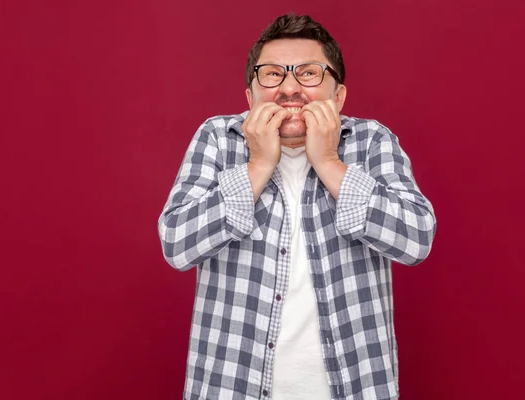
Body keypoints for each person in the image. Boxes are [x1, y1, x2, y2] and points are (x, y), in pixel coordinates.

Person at [158, 13, 436, 400]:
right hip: (230, 386)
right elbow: (177, 244)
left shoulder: (371, 142)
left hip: (354, 387)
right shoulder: (219, 139)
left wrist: (329, 163)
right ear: (250, 96)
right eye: (272, 74)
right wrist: (256, 165)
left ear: (338, 96)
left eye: (309, 73)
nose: (290, 87)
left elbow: (416, 239)